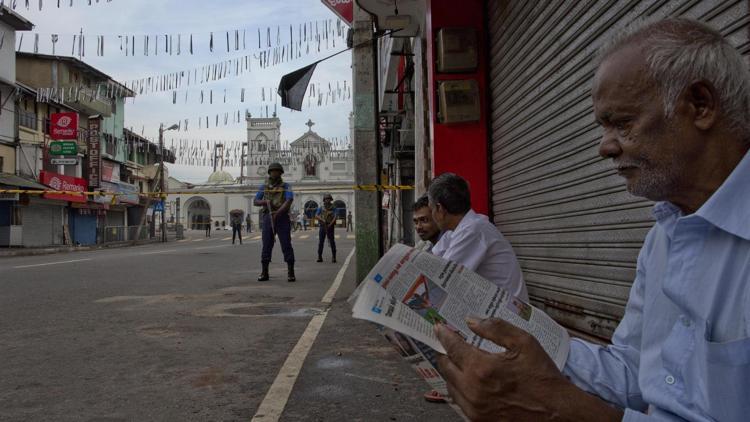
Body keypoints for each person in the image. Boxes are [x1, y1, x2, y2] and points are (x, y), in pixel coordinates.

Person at [434, 18, 750, 422]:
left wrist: (564, 410)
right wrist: (532, 349)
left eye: (622, 123)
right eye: (603, 126)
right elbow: (634, 374)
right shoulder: (665, 236)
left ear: (700, 106)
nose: (605, 147)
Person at [428, 173, 528, 301]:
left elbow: (443, 278)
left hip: (506, 315)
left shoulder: (472, 230)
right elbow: (433, 258)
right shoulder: (457, 230)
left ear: (439, 208)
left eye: (431, 209)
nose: (432, 214)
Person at [412, 194, 446, 404]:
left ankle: (447, 381)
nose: (419, 227)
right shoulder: (428, 247)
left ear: (437, 215)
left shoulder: (451, 242)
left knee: (420, 315)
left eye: (424, 220)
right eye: (415, 222)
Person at [254, 162, 296, 282]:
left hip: (282, 217)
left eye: (277, 171)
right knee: (266, 244)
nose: (275, 173)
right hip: (268, 217)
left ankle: (291, 272)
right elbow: (256, 201)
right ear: (270, 173)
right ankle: (264, 271)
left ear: (281, 173)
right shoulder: (264, 187)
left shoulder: (286, 186)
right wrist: (264, 202)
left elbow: (289, 200)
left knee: (286, 244)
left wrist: (277, 213)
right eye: (273, 171)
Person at [315, 193, 337, 263]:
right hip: (322, 226)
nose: (327, 200)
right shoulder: (321, 208)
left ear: (331, 200)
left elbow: (335, 217)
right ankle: (319, 256)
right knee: (321, 242)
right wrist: (322, 220)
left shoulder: (334, 208)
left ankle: (334, 257)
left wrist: (330, 224)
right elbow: (316, 215)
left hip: (330, 226)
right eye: (326, 199)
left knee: (332, 242)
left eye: (329, 199)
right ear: (324, 200)